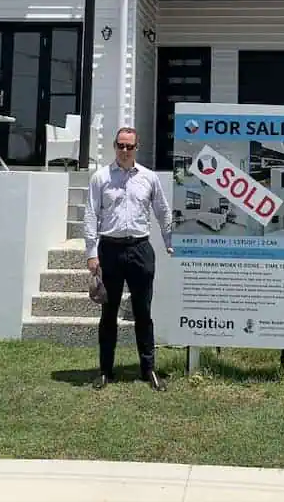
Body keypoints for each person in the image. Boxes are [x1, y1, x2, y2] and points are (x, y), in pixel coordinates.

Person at [84, 126, 173, 391]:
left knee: (143, 313)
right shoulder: (100, 178)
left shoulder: (149, 178)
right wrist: (91, 253)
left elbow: (163, 211)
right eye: (120, 145)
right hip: (110, 249)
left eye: (129, 146)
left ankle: (148, 370)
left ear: (137, 148)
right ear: (114, 146)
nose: (124, 151)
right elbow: (91, 214)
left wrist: (169, 242)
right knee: (108, 314)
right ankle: (105, 370)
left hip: (140, 249)